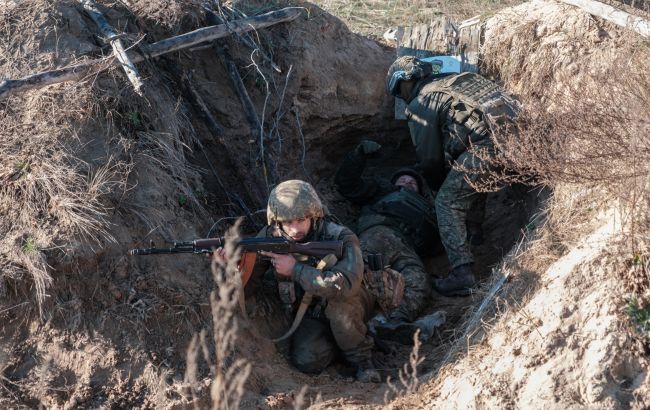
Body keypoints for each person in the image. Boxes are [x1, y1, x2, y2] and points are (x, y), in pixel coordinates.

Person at [385, 56, 520, 296]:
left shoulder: (422, 102)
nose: (401, 97)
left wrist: (436, 186)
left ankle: (462, 274)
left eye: (398, 92)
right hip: (521, 140)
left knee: (447, 201)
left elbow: (430, 159)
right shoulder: (459, 80)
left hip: (490, 145)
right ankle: (475, 233)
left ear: (403, 82)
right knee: (468, 177)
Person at [253, 179, 380, 382]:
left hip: (351, 302)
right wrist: (233, 265)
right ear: (277, 221)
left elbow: (345, 285)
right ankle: (345, 342)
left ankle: (363, 361)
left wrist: (295, 269)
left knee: (339, 307)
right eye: (287, 222)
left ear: (314, 215)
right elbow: (249, 285)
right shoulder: (271, 237)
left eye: (301, 219)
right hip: (312, 309)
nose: (294, 229)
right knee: (307, 361)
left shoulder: (340, 237)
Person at [335, 140, 441, 333]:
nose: (408, 183)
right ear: (394, 183)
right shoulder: (383, 190)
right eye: (403, 180)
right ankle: (345, 325)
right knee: (357, 274)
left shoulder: (431, 211)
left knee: (419, 280)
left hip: (406, 248)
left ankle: (393, 322)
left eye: (413, 182)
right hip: (378, 234)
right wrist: (358, 155)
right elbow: (347, 184)